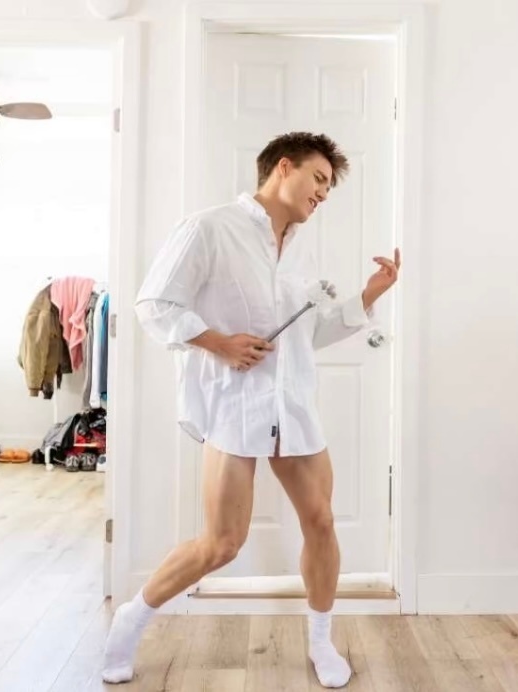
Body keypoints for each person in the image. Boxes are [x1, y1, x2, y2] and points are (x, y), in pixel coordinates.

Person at [101, 131, 400, 688]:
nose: (323, 193)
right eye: (318, 179)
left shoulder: (302, 248)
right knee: (222, 544)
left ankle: (320, 641)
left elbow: (309, 333)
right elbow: (153, 304)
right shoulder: (209, 228)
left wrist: (370, 294)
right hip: (233, 404)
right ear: (283, 167)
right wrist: (218, 342)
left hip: (294, 403)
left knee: (322, 522)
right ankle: (131, 618)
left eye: (329, 187)